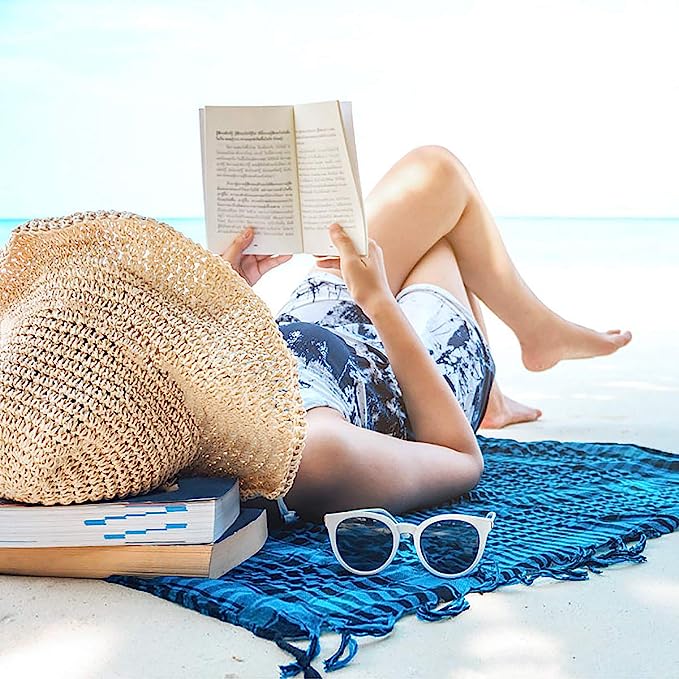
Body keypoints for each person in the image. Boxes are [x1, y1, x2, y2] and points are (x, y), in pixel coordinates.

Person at [224, 146, 632, 520]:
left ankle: (529, 349)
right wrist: (380, 304)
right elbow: (461, 460)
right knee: (440, 232)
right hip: (418, 377)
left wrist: (226, 298)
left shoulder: (203, 390)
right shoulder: (316, 452)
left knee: (436, 179)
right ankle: (517, 364)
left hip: (322, 314)